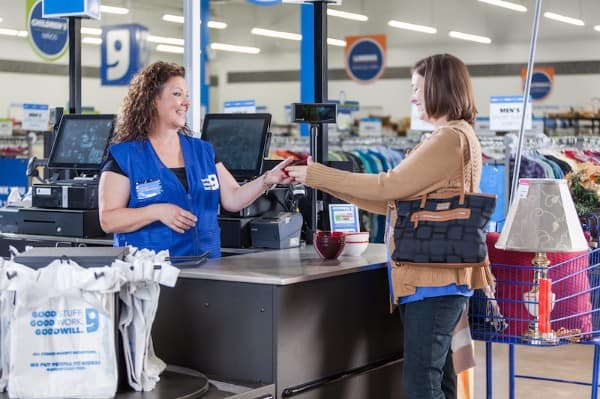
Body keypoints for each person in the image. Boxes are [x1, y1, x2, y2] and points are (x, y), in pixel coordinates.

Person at [286, 54, 494, 399]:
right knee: (439, 379)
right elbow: (391, 202)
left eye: (417, 88)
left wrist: (318, 174)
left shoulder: (448, 139)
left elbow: (389, 186)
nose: (412, 97)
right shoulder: (455, 136)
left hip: (433, 282)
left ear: (439, 87)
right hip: (439, 280)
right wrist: (322, 183)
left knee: (420, 381)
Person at [98, 61, 293, 258]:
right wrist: (157, 211)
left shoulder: (202, 151)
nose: (186, 102)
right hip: (150, 273)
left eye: (187, 95)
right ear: (153, 100)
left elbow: (233, 198)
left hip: (205, 268)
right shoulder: (125, 156)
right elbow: (108, 219)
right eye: (177, 94)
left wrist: (268, 179)